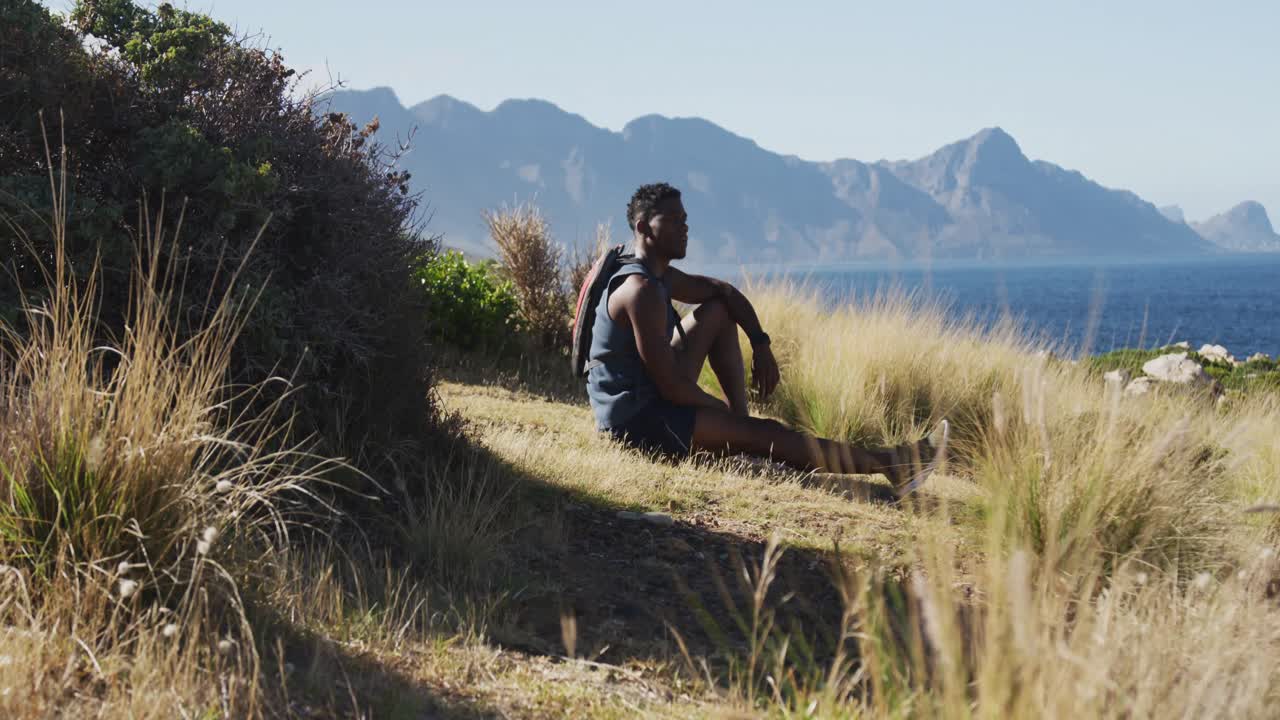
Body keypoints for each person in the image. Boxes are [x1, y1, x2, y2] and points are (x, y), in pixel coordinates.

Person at [585, 182, 945, 493]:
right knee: (770, 434)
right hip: (635, 424)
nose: (685, 227)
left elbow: (723, 291)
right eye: (675, 220)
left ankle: (741, 435)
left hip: (646, 400)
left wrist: (761, 343)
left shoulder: (657, 275)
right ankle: (893, 465)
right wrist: (723, 414)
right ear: (644, 227)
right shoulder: (640, 289)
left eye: (686, 219)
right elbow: (671, 389)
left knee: (719, 311)